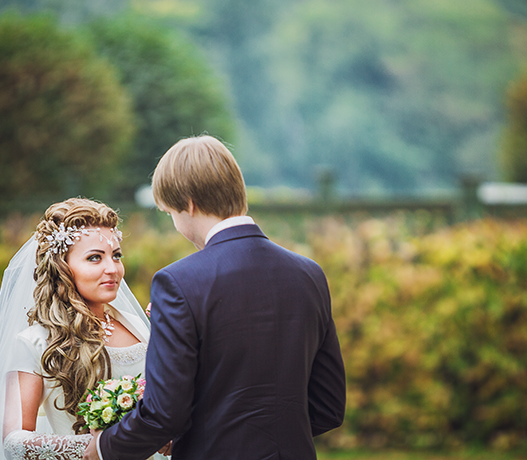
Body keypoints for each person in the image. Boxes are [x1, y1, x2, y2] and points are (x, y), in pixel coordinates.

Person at [85, 136, 346, 460]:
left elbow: (165, 412)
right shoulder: (309, 275)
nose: (176, 223)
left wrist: (102, 447)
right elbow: (328, 407)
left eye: (171, 213)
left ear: (190, 204)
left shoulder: (179, 282)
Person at [0, 198, 167, 460]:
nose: (112, 269)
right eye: (95, 258)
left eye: (116, 256)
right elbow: (15, 441)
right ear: (62, 268)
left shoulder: (137, 323)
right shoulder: (35, 342)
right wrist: (104, 446)